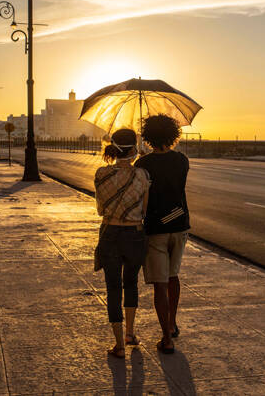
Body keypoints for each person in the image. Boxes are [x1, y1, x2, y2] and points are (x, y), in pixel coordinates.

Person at [134, 115, 190, 354]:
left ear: (148, 137)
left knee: (160, 282)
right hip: (179, 223)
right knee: (173, 276)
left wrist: (141, 159)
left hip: (156, 227)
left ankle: (166, 338)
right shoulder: (182, 160)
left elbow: (140, 197)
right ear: (173, 135)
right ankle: (173, 322)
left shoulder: (142, 164)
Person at [94, 128, 150, 359]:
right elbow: (144, 210)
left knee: (113, 288)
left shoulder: (101, 174)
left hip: (109, 234)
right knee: (131, 284)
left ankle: (118, 345)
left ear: (114, 149)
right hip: (134, 235)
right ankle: (130, 333)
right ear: (135, 149)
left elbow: (99, 208)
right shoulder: (142, 176)